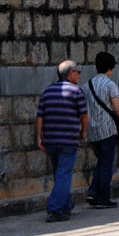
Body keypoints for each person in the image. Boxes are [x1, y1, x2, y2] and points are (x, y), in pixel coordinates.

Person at [83, 51, 119, 209]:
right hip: (107, 130)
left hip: (92, 131)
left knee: (101, 161)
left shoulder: (86, 86)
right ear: (111, 68)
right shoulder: (110, 85)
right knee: (107, 164)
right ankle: (103, 197)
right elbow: (118, 109)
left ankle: (93, 192)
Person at [36, 60, 88, 222]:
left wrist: (39, 137)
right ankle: (55, 209)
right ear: (70, 73)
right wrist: (84, 131)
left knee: (60, 174)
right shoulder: (76, 91)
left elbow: (40, 116)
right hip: (68, 140)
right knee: (64, 175)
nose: (79, 75)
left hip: (50, 140)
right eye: (77, 72)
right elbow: (84, 115)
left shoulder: (47, 92)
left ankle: (65, 205)